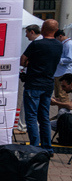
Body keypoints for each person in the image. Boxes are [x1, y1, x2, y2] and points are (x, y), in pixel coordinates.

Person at [21, 19, 63, 155]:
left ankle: (34, 146)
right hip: (48, 83)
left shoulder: (36, 44)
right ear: (56, 30)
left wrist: (30, 64)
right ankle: (47, 148)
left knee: (31, 116)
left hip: (34, 83)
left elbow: (23, 60)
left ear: (43, 29)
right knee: (44, 116)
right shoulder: (59, 45)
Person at [53, 29, 71, 106]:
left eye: (56, 39)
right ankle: (60, 113)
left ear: (60, 36)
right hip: (58, 72)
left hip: (64, 72)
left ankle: (64, 113)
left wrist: (57, 60)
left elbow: (70, 59)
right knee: (58, 96)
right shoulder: (64, 44)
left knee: (62, 95)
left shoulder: (69, 44)